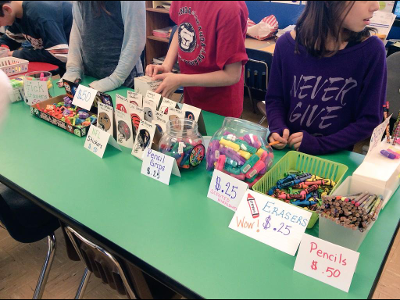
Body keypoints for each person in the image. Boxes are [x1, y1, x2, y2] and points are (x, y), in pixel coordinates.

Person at [266, 1, 386, 155]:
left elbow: (369, 120)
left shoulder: (371, 51)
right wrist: (277, 128)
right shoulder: (286, 45)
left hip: (334, 158)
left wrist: (319, 145)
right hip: (287, 152)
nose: (375, 6)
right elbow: (275, 99)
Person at [146, 2, 248, 118]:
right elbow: (181, 27)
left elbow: (232, 75)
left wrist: (180, 79)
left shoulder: (229, 8)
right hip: (192, 100)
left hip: (220, 108)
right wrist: (167, 65)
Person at [62, 1, 146, 93]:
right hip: (91, 78)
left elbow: (136, 39)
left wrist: (116, 78)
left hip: (124, 81)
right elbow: (77, 29)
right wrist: (73, 68)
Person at [0, 1, 72, 72]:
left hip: (76, 64)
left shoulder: (40, 14)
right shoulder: (16, 15)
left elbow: (60, 55)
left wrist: (15, 54)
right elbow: (10, 40)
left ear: (7, 9)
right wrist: (3, 47)